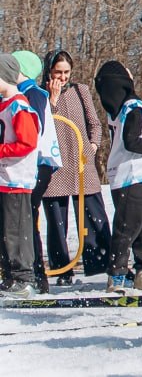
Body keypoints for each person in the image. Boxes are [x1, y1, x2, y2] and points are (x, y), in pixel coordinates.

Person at [96, 60, 142, 292]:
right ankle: (117, 274)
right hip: (133, 174)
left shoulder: (116, 110)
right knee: (128, 226)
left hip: (126, 175)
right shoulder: (134, 107)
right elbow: (132, 142)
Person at [39, 50, 112, 283]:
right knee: (57, 221)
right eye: (57, 72)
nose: (62, 77)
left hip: (82, 164)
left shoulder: (80, 91)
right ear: (48, 72)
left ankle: (98, 264)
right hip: (55, 167)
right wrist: (53, 99)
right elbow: (42, 124)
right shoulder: (40, 94)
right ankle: (62, 269)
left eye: (66, 73)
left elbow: (94, 124)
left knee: (93, 215)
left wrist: (91, 147)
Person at [13, 51, 59, 292]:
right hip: (32, 163)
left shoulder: (33, 93)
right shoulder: (24, 93)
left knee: (24, 218)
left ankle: (33, 275)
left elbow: (35, 127)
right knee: (23, 218)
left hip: (38, 162)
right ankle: (32, 274)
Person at [0, 52, 40, 298]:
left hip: (17, 179)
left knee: (16, 231)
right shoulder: (4, 104)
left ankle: (24, 278)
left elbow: (28, 142)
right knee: (5, 232)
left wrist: (2, 150)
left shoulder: (19, 104)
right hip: (3, 180)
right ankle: (9, 277)